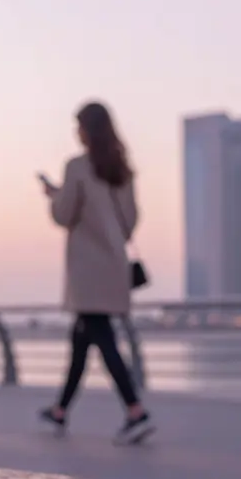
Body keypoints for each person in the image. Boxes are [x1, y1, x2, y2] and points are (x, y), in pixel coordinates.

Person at [39, 101, 153, 445]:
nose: (76, 132)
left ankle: (135, 410)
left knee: (102, 340)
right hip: (114, 268)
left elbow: (63, 215)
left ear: (87, 130)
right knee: (81, 340)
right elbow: (131, 222)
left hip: (88, 271)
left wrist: (53, 194)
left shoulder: (77, 166)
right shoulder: (122, 171)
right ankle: (60, 410)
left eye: (78, 126)